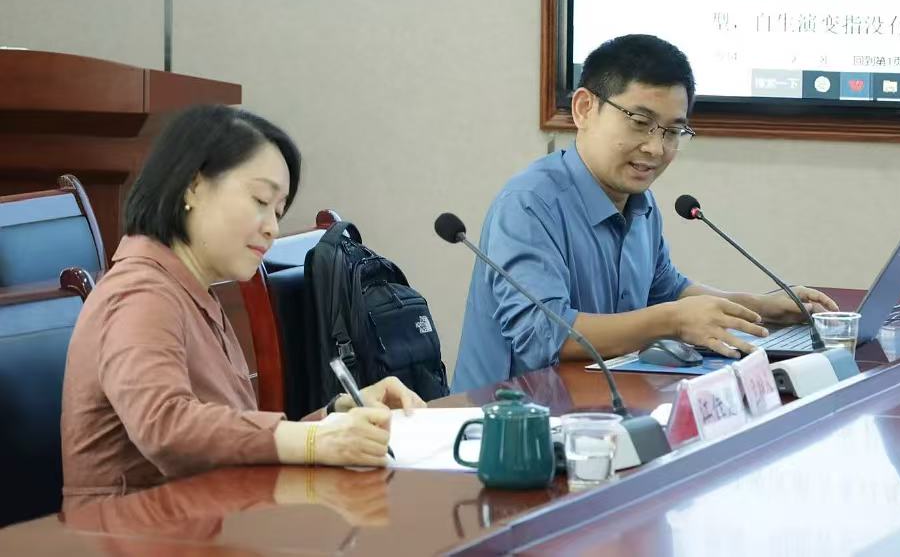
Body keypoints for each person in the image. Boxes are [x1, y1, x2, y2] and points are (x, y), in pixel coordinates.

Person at [61, 105, 424, 499]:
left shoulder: (190, 291)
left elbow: (236, 439)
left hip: (205, 515)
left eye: (278, 211)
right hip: (130, 526)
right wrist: (312, 441)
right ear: (193, 186)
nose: (273, 228)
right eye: (260, 200)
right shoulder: (140, 293)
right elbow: (165, 427)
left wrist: (337, 416)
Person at [454, 34, 836, 391]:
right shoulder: (529, 203)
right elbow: (544, 335)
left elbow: (668, 290)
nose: (655, 148)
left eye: (672, 132)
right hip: (502, 421)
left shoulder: (641, 203)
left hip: (598, 405)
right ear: (584, 109)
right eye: (640, 123)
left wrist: (760, 307)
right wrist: (673, 322)